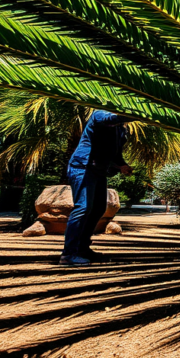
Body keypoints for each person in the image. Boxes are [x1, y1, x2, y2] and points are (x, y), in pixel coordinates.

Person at [59, 110, 133, 267]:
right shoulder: (100, 114)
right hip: (83, 167)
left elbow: (114, 152)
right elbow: (112, 118)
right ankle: (68, 254)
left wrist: (121, 165)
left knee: (98, 208)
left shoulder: (121, 129)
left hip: (99, 170)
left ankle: (82, 249)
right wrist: (142, 114)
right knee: (83, 207)